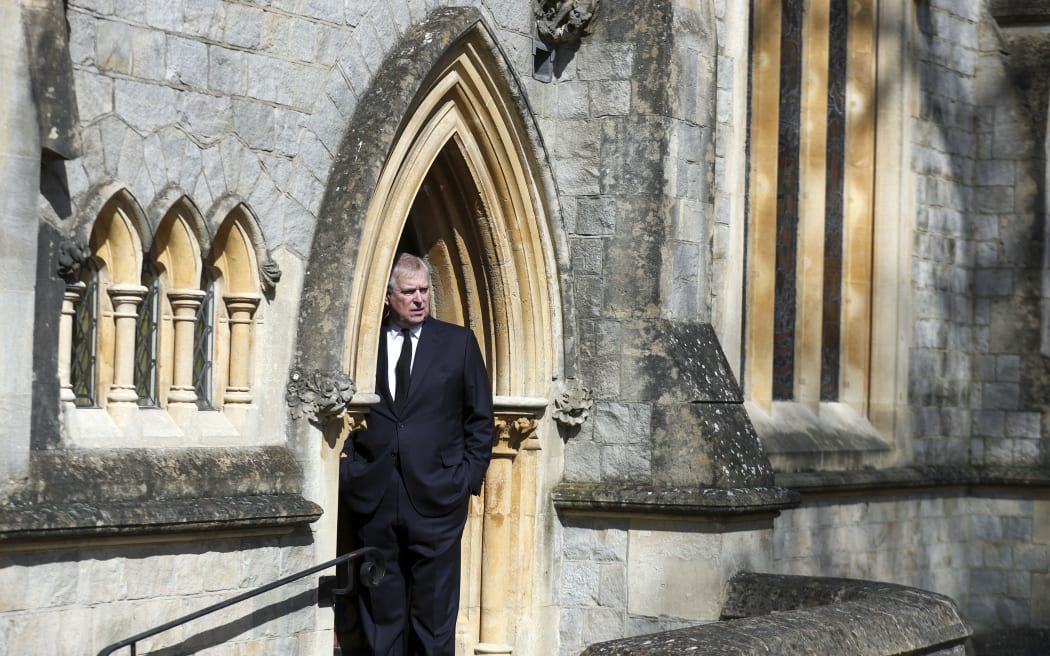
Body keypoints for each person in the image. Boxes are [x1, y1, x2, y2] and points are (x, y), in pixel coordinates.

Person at [340, 252, 494, 656]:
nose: (419, 299)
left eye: (424, 290)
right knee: (380, 618)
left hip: (438, 501)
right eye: (409, 292)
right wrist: (350, 475)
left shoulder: (458, 343)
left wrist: (466, 480)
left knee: (434, 620)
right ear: (388, 297)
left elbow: (481, 419)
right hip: (375, 499)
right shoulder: (362, 344)